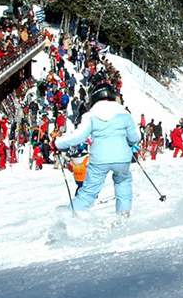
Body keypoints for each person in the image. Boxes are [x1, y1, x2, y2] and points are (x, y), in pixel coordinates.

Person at [52, 82, 141, 216]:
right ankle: (123, 215)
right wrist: (128, 142)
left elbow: (79, 136)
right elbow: (135, 137)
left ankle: (71, 215)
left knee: (89, 192)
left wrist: (59, 143)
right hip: (122, 158)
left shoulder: (91, 115)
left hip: (100, 159)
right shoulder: (125, 114)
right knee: (123, 183)